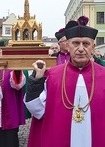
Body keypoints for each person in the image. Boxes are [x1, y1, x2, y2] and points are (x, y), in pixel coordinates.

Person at [24, 16, 105, 147]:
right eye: (76, 43)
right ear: (68, 46)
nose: (80, 48)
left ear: (93, 47)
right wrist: (36, 81)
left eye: (86, 44)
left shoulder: (103, 75)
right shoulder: (53, 75)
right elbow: (37, 110)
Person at [0, 37, 26, 147]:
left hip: (7, 111)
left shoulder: (11, 65)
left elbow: (18, 85)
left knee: (8, 141)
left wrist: (17, 70)